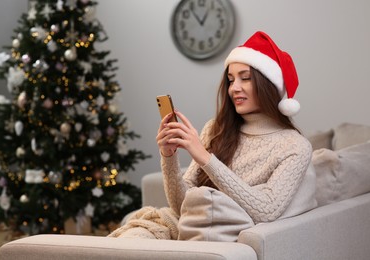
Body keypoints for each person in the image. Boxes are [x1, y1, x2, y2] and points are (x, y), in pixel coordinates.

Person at [110, 31, 313, 241]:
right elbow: (182, 207)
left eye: (245, 78)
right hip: (185, 225)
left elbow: (267, 210)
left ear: (269, 85)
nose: (234, 88)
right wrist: (169, 157)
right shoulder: (215, 129)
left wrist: (205, 158)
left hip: (220, 236)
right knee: (126, 242)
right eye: (231, 79)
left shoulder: (295, 146)